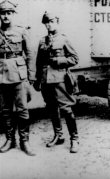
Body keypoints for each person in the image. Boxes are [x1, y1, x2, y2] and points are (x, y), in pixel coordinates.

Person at [0, 0, 36, 156]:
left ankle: (24, 141)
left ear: (13, 14)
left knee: (22, 110)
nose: (6, 16)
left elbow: (30, 53)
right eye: (3, 13)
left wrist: (31, 75)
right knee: (6, 110)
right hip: (1, 75)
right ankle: (9, 139)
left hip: (19, 75)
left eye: (9, 13)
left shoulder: (22, 32)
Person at [33, 11, 79, 153]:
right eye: (46, 22)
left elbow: (74, 59)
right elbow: (39, 62)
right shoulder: (42, 41)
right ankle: (58, 136)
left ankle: (74, 138)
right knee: (52, 108)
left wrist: (59, 60)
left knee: (66, 109)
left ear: (57, 22)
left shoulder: (63, 39)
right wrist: (37, 79)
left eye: (52, 21)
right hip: (46, 81)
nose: (49, 25)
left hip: (60, 80)